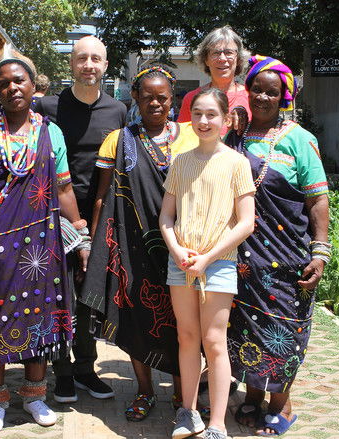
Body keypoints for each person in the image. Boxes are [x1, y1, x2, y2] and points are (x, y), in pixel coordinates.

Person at [0, 46, 83, 433]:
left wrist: (80, 230)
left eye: (19, 81)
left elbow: (63, 188)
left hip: (41, 242)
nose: (13, 88)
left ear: (33, 85)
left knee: (40, 314)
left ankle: (35, 396)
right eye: (4, 83)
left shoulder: (50, 132)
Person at [80, 65, 198, 422]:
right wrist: (95, 246)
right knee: (135, 319)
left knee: (182, 323)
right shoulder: (119, 140)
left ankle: (182, 394)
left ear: (172, 99)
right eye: (147, 97)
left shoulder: (192, 135)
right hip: (132, 246)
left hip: (183, 245)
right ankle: (144, 391)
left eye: (162, 97)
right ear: (135, 97)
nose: (155, 104)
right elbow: (102, 196)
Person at [227, 55, 330, 437]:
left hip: (287, 257)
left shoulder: (300, 140)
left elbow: (317, 199)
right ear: (248, 90)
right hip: (242, 257)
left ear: (284, 96)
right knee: (246, 327)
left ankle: (281, 402)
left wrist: (320, 251)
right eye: (257, 89)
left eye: (272, 92)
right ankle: (253, 396)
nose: (263, 97)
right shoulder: (235, 136)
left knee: (284, 328)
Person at [159, 88, 256, 439]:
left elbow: (246, 223)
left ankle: (217, 424)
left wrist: (208, 258)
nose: (203, 121)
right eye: (197, 114)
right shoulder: (180, 162)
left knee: (214, 341)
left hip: (219, 264)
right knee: (186, 337)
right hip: (181, 264)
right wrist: (177, 251)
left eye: (211, 114)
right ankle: (188, 413)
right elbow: (166, 217)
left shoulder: (237, 163)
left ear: (226, 119)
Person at [35, 34, 126, 404]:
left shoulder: (117, 110)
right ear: (71, 63)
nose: (89, 65)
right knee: (58, 294)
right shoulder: (48, 107)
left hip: (99, 215)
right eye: (81, 58)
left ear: (105, 65)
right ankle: (62, 371)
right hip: (52, 215)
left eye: (95, 59)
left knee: (90, 293)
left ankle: (86, 368)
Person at [176, 26, 250, 135]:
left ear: (238, 59)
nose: (222, 58)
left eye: (229, 53)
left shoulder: (252, 98)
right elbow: (183, 138)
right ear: (206, 60)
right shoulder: (191, 98)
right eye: (216, 53)